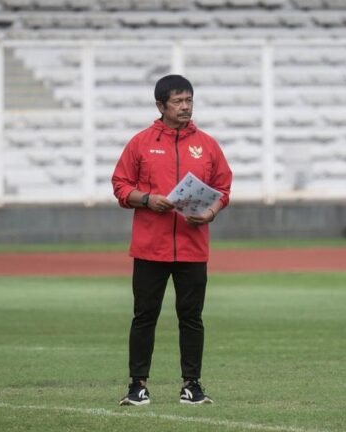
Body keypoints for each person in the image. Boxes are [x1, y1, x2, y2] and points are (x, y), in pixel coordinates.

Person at [111, 74, 233, 406]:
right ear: (161, 105)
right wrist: (147, 199)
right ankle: (138, 385)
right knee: (144, 316)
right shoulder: (140, 142)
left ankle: (191, 385)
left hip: (193, 248)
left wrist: (210, 213)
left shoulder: (207, 144)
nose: (185, 107)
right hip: (151, 247)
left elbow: (223, 188)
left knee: (191, 318)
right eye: (178, 101)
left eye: (189, 100)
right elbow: (120, 185)